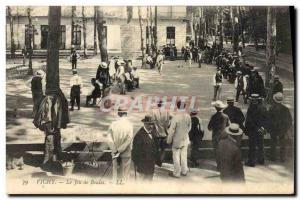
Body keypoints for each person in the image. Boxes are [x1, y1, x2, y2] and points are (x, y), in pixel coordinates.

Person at [107, 107, 134, 184]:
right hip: (126, 153)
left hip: (115, 153)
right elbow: (129, 140)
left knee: (115, 172)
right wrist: (120, 150)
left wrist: (115, 150)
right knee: (125, 174)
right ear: (126, 114)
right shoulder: (129, 125)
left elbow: (109, 139)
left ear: (118, 114)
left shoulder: (113, 124)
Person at [167, 101, 191, 178]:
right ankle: (184, 171)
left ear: (177, 107)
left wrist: (169, 140)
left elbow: (171, 131)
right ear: (184, 107)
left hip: (177, 140)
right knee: (184, 155)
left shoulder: (175, 117)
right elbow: (189, 127)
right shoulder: (188, 116)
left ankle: (176, 173)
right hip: (185, 139)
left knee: (176, 156)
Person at [245, 94, 269, 167]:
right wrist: (263, 128)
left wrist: (255, 128)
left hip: (253, 130)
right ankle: (261, 160)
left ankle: (251, 162)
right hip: (261, 130)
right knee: (260, 145)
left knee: (252, 146)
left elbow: (249, 121)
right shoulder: (263, 107)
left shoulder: (250, 108)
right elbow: (266, 119)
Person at [268, 92, 293, 162]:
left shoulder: (271, 108)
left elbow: (268, 119)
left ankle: (272, 157)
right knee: (283, 144)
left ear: (274, 100)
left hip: (273, 129)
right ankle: (282, 158)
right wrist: (286, 128)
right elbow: (289, 120)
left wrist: (269, 128)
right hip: (282, 129)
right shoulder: (285, 109)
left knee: (273, 143)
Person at [132, 115, 157, 182]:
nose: (151, 126)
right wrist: (137, 164)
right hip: (142, 165)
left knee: (149, 183)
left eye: (152, 124)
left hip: (151, 165)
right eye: (149, 124)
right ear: (145, 123)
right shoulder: (139, 135)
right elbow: (135, 151)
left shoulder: (153, 133)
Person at [208, 100, 230, 169]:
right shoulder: (226, 116)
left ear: (215, 108)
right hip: (224, 135)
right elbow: (229, 126)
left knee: (217, 150)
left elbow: (209, 127)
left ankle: (219, 165)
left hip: (215, 135)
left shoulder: (213, 116)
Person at [151, 100, 170, 167]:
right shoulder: (167, 111)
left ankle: (156, 160)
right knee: (163, 149)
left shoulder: (154, 111)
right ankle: (160, 162)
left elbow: (152, 122)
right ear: (163, 105)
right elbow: (168, 122)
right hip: (164, 132)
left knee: (156, 148)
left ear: (157, 105)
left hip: (157, 132)